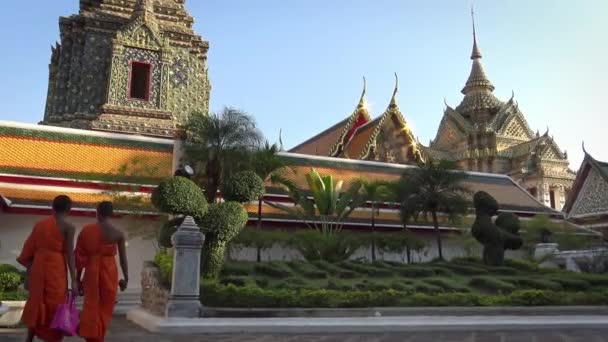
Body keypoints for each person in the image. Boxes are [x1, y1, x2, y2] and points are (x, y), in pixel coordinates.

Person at [17, 195, 78, 342]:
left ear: (52, 207)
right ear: (68, 209)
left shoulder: (40, 225)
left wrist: (28, 275)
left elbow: (29, 252)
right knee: (55, 305)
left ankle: (29, 338)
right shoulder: (68, 227)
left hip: (38, 268)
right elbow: (70, 254)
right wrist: (74, 280)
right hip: (55, 270)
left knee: (36, 301)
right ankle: (51, 338)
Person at [75, 201, 128, 342]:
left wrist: (77, 280)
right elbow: (123, 259)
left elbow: (80, 258)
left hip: (91, 271)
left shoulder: (86, 230)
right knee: (105, 307)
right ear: (111, 214)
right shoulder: (118, 233)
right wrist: (126, 279)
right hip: (110, 271)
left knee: (91, 306)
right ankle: (99, 338)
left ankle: (92, 338)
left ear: (97, 212)